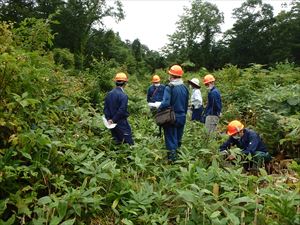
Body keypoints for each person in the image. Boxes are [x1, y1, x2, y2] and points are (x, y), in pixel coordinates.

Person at [158, 65, 189, 162]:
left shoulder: (169, 87)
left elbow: (166, 103)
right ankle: (179, 157)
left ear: (171, 75)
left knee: (171, 138)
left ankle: (172, 160)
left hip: (171, 117)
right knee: (178, 138)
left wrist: (158, 107)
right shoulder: (185, 88)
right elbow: (186, 103)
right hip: (182, 116)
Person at [104, 72, 134, 145]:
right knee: (128, 142)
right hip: (121, 122)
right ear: (125, 83)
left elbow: (105, 108)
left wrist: (109, 119)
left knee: (117, 140)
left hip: (111, 123)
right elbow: (122, 110)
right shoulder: (123, 96)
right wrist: (113, 120)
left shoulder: (109, 94)